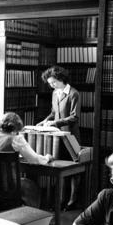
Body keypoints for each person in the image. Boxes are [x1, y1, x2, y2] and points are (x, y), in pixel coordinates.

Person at [37, 65, 81, 210]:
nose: (51, 85)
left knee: (73, 170)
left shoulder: (74, 94)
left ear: (61, 79)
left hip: (70, 137)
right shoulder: (55, 93)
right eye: (50, 83)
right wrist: (45, 121)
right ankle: (61, 200)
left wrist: (55, 122)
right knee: (60, 168)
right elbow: (53, 112)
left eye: (53, 82)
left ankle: (73, 200)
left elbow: (75, 117)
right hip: (57, 138)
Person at [0, 112, 53, 207]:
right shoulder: (15, 139)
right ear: (14, 127)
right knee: (31, 186)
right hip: (9, 187)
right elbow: (34, 159)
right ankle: (30, 216)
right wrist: (47, 157)